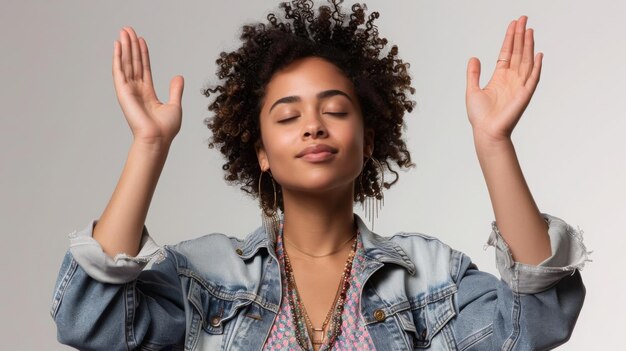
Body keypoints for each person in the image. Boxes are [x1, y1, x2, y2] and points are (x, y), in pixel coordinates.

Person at [50, 1, 591, 350]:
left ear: (369, 138)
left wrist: (494, 143)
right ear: (260, 152)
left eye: (335, 110)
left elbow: (536, 323)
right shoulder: (204, 278)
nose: (312, 125)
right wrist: (149, 145)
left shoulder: (430, 279)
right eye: (287, 116)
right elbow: (89, 319)